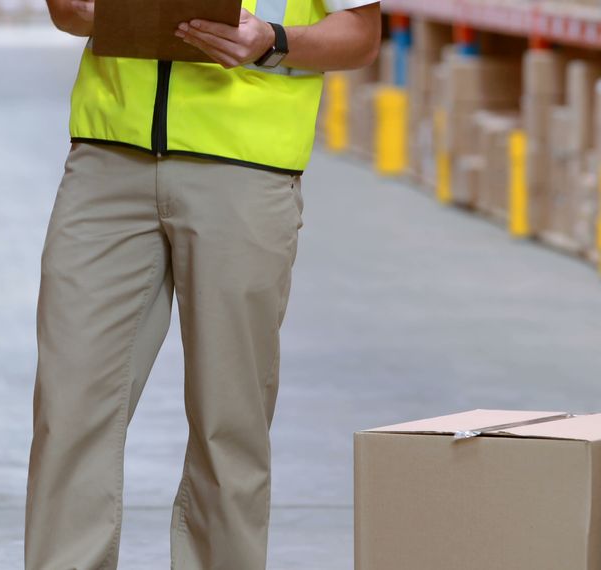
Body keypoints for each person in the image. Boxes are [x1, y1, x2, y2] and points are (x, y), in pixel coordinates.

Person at [26, 0, 380, 567]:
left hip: (245, 170)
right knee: (68, 407)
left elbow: (360, 37)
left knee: (228, 417)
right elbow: (68, 13)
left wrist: (272, 40)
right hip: (106, 161)